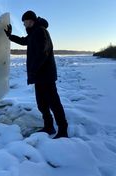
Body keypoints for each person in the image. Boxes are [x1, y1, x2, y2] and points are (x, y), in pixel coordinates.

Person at [4, 10, 68, 139]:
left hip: (46, 75)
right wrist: (10, 36)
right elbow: (24, 41)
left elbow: (43, 53)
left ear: (31, 20)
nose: (24, 25)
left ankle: (63, 130)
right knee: (42, 104)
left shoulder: (40, 31)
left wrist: (33, 69)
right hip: (39, 76)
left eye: (25, 22)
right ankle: (49, 126)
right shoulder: (34, 32)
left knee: (54, 103)